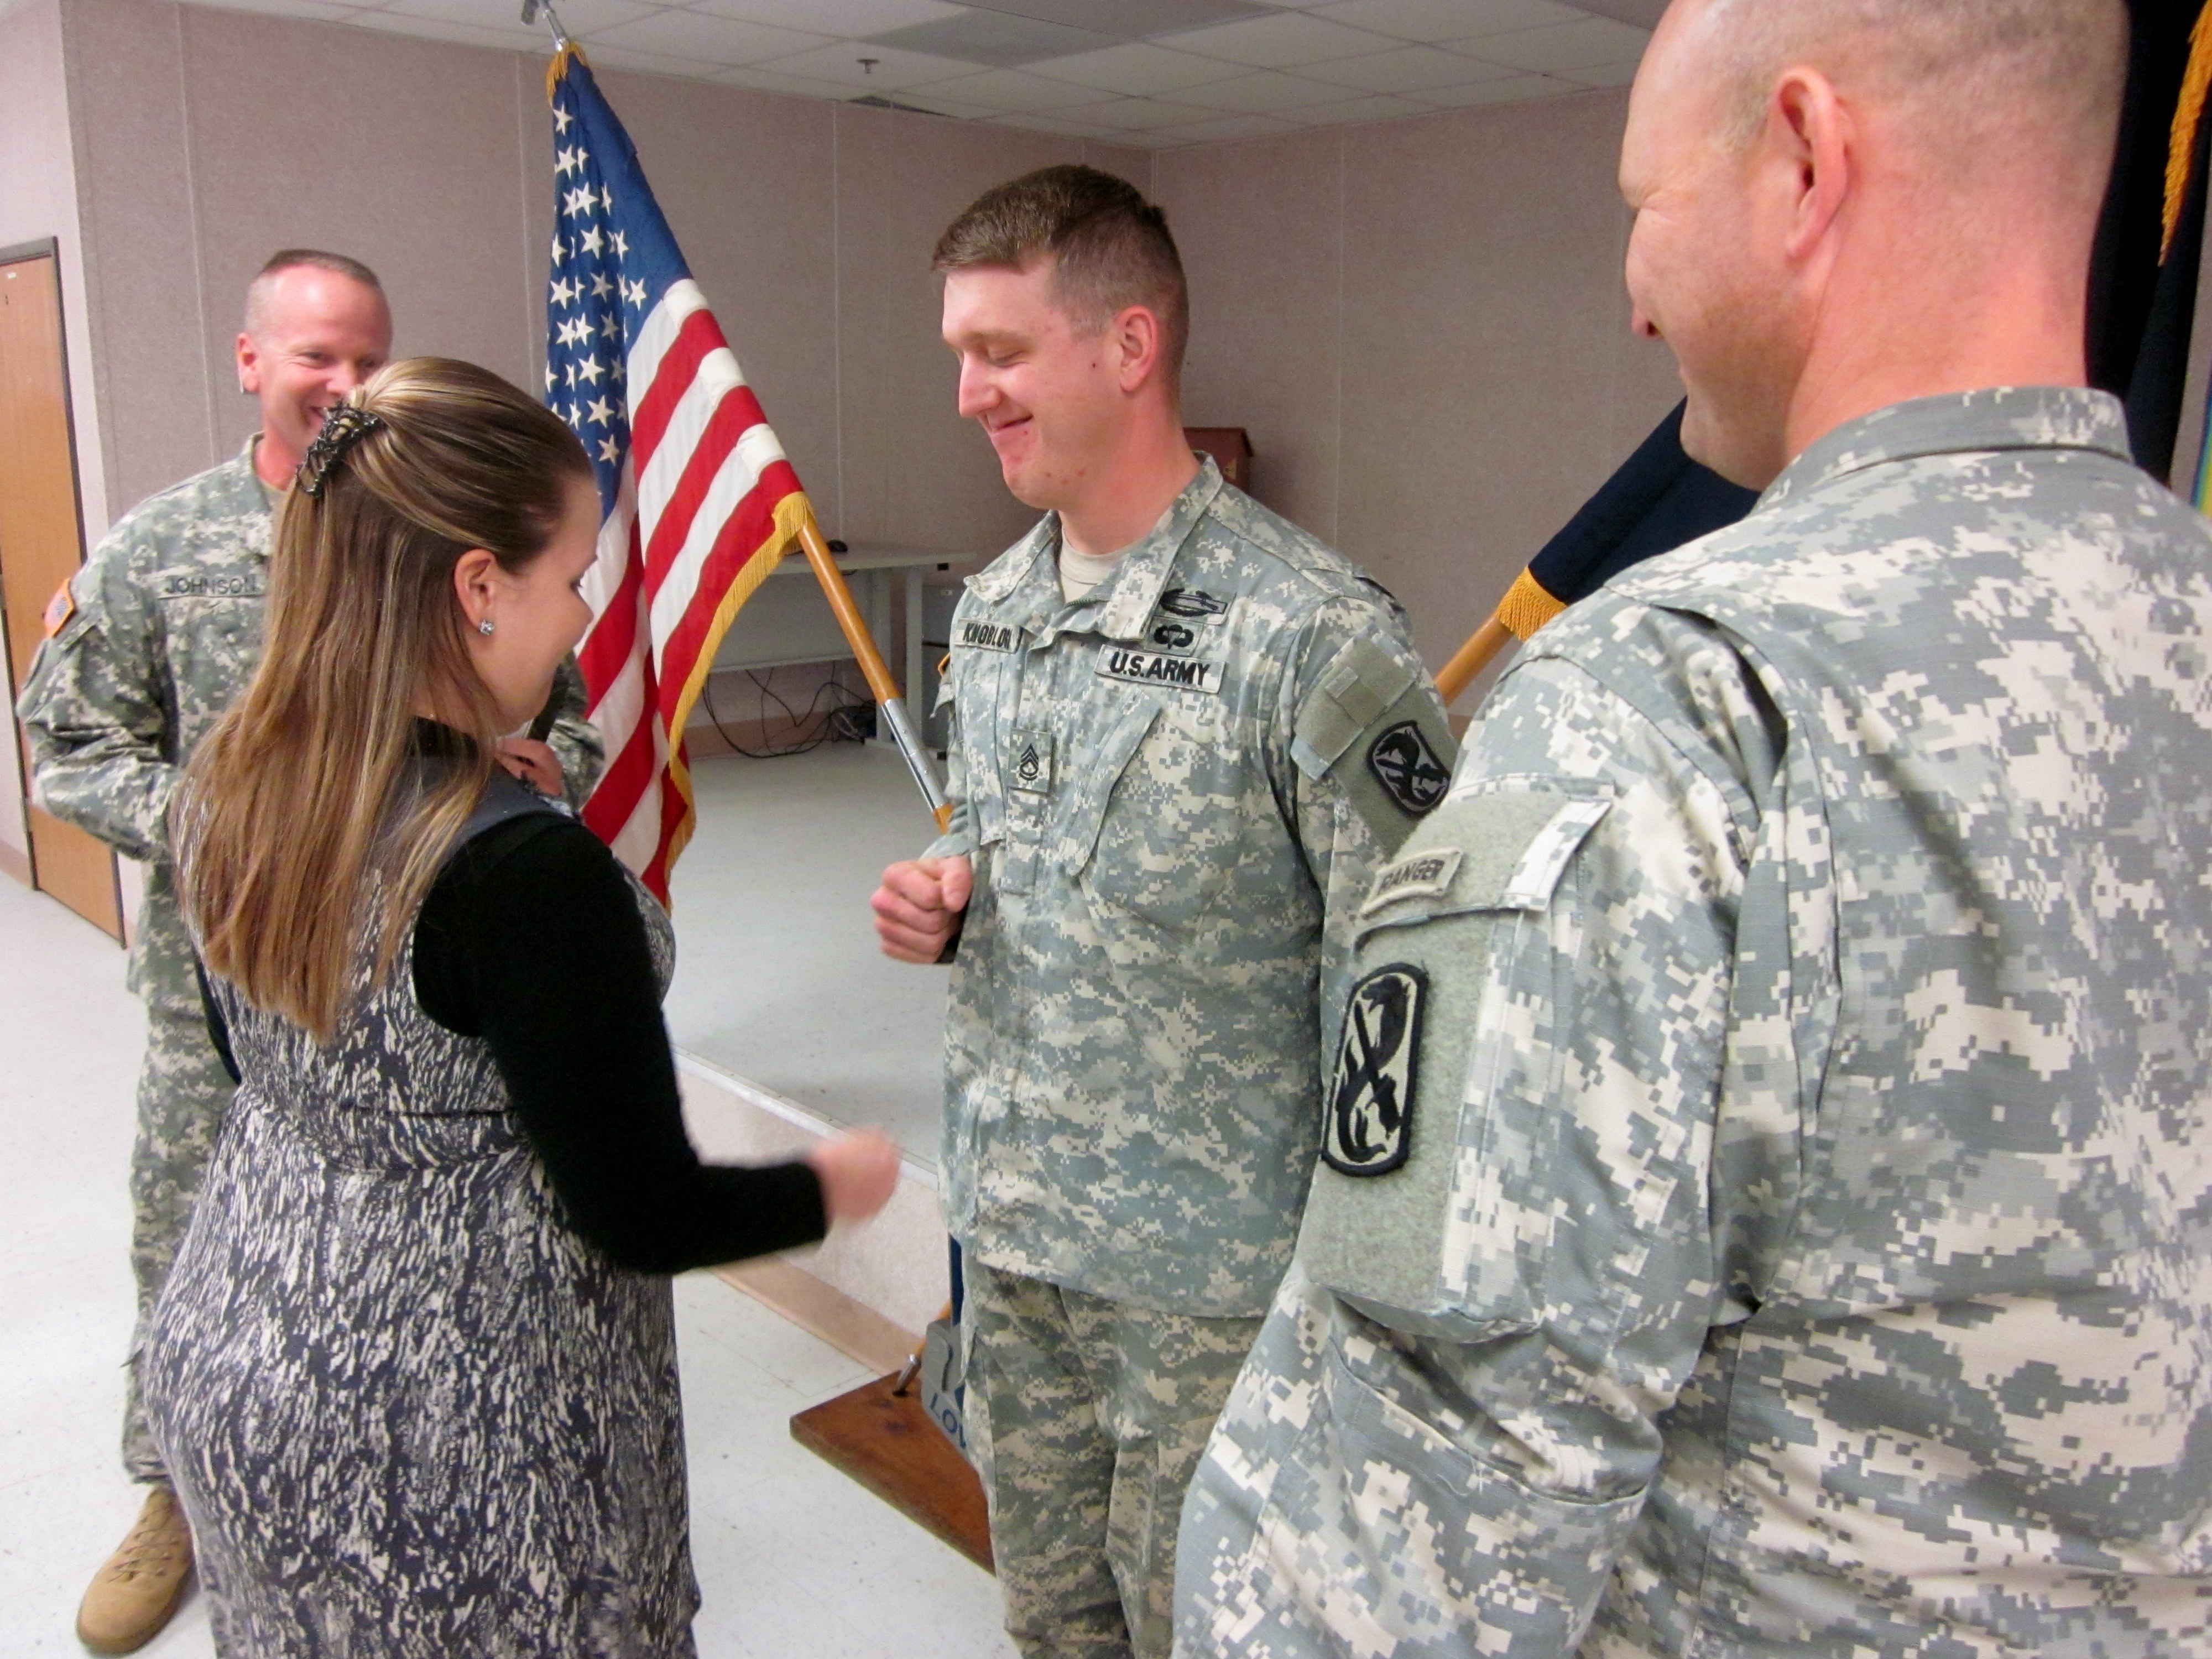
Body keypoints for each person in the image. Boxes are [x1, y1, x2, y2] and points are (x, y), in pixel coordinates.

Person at [1175, 1, 2212, 1655]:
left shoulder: (1671, 706)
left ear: (1804, 160)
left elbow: (1402, 1527)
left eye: (1643, 205)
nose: (1630, 293)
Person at [143, 359, 902, 1656]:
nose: (578, 614)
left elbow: (252, 1049)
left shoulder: (229, 783)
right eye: (567, 579)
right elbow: (640, 1211)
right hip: (457, 1425)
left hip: (241, 1345)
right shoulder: (525, 877)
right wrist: (825, 1186)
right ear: (479, 589)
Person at [869, 166, 1455, 1659]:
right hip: (1018, 1250)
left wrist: (1368, 1313)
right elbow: (1017, 834)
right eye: (960, 355)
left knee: (1215, 1631)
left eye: (998, 352)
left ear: (1127, 349)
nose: (966, 394)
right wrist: (955, 892)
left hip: (1215, 1298)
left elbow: (1424, 991)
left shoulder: (1313, 637)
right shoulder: (995, 613)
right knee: (1054, 1623)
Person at [18, 250, 601, 1654]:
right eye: (314, 359)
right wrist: (240, 832)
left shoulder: (442, 527)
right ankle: (175, 1491)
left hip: (426, 1000)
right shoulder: (166, 546)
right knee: (201, 1244)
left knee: (419, 1263)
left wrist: (535, 767)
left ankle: (418, 1490)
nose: (343, 386)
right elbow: (67, 743)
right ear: (249, 362)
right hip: (237, 985)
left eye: (368, 358)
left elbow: (567, 720)